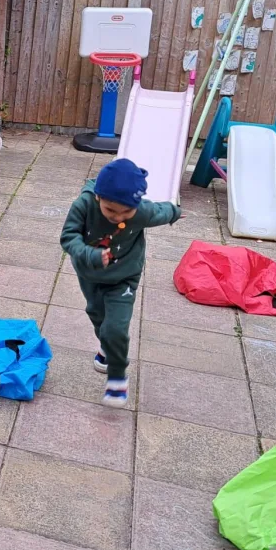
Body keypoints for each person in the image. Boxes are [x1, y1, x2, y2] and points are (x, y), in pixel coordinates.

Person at [60, 158, 180, 407]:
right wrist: (90, 255)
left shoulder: (142, 212)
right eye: (110, 210)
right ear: (98, 198)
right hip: (90, 274)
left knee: (116, 327)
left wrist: (175, 212)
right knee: (99, 319)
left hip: (125, 277)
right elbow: (68, 238)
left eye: (127, 212)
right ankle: (106, 345)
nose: (118, 217)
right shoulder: (84, 205)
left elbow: (161, 211)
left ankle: (116, 377)